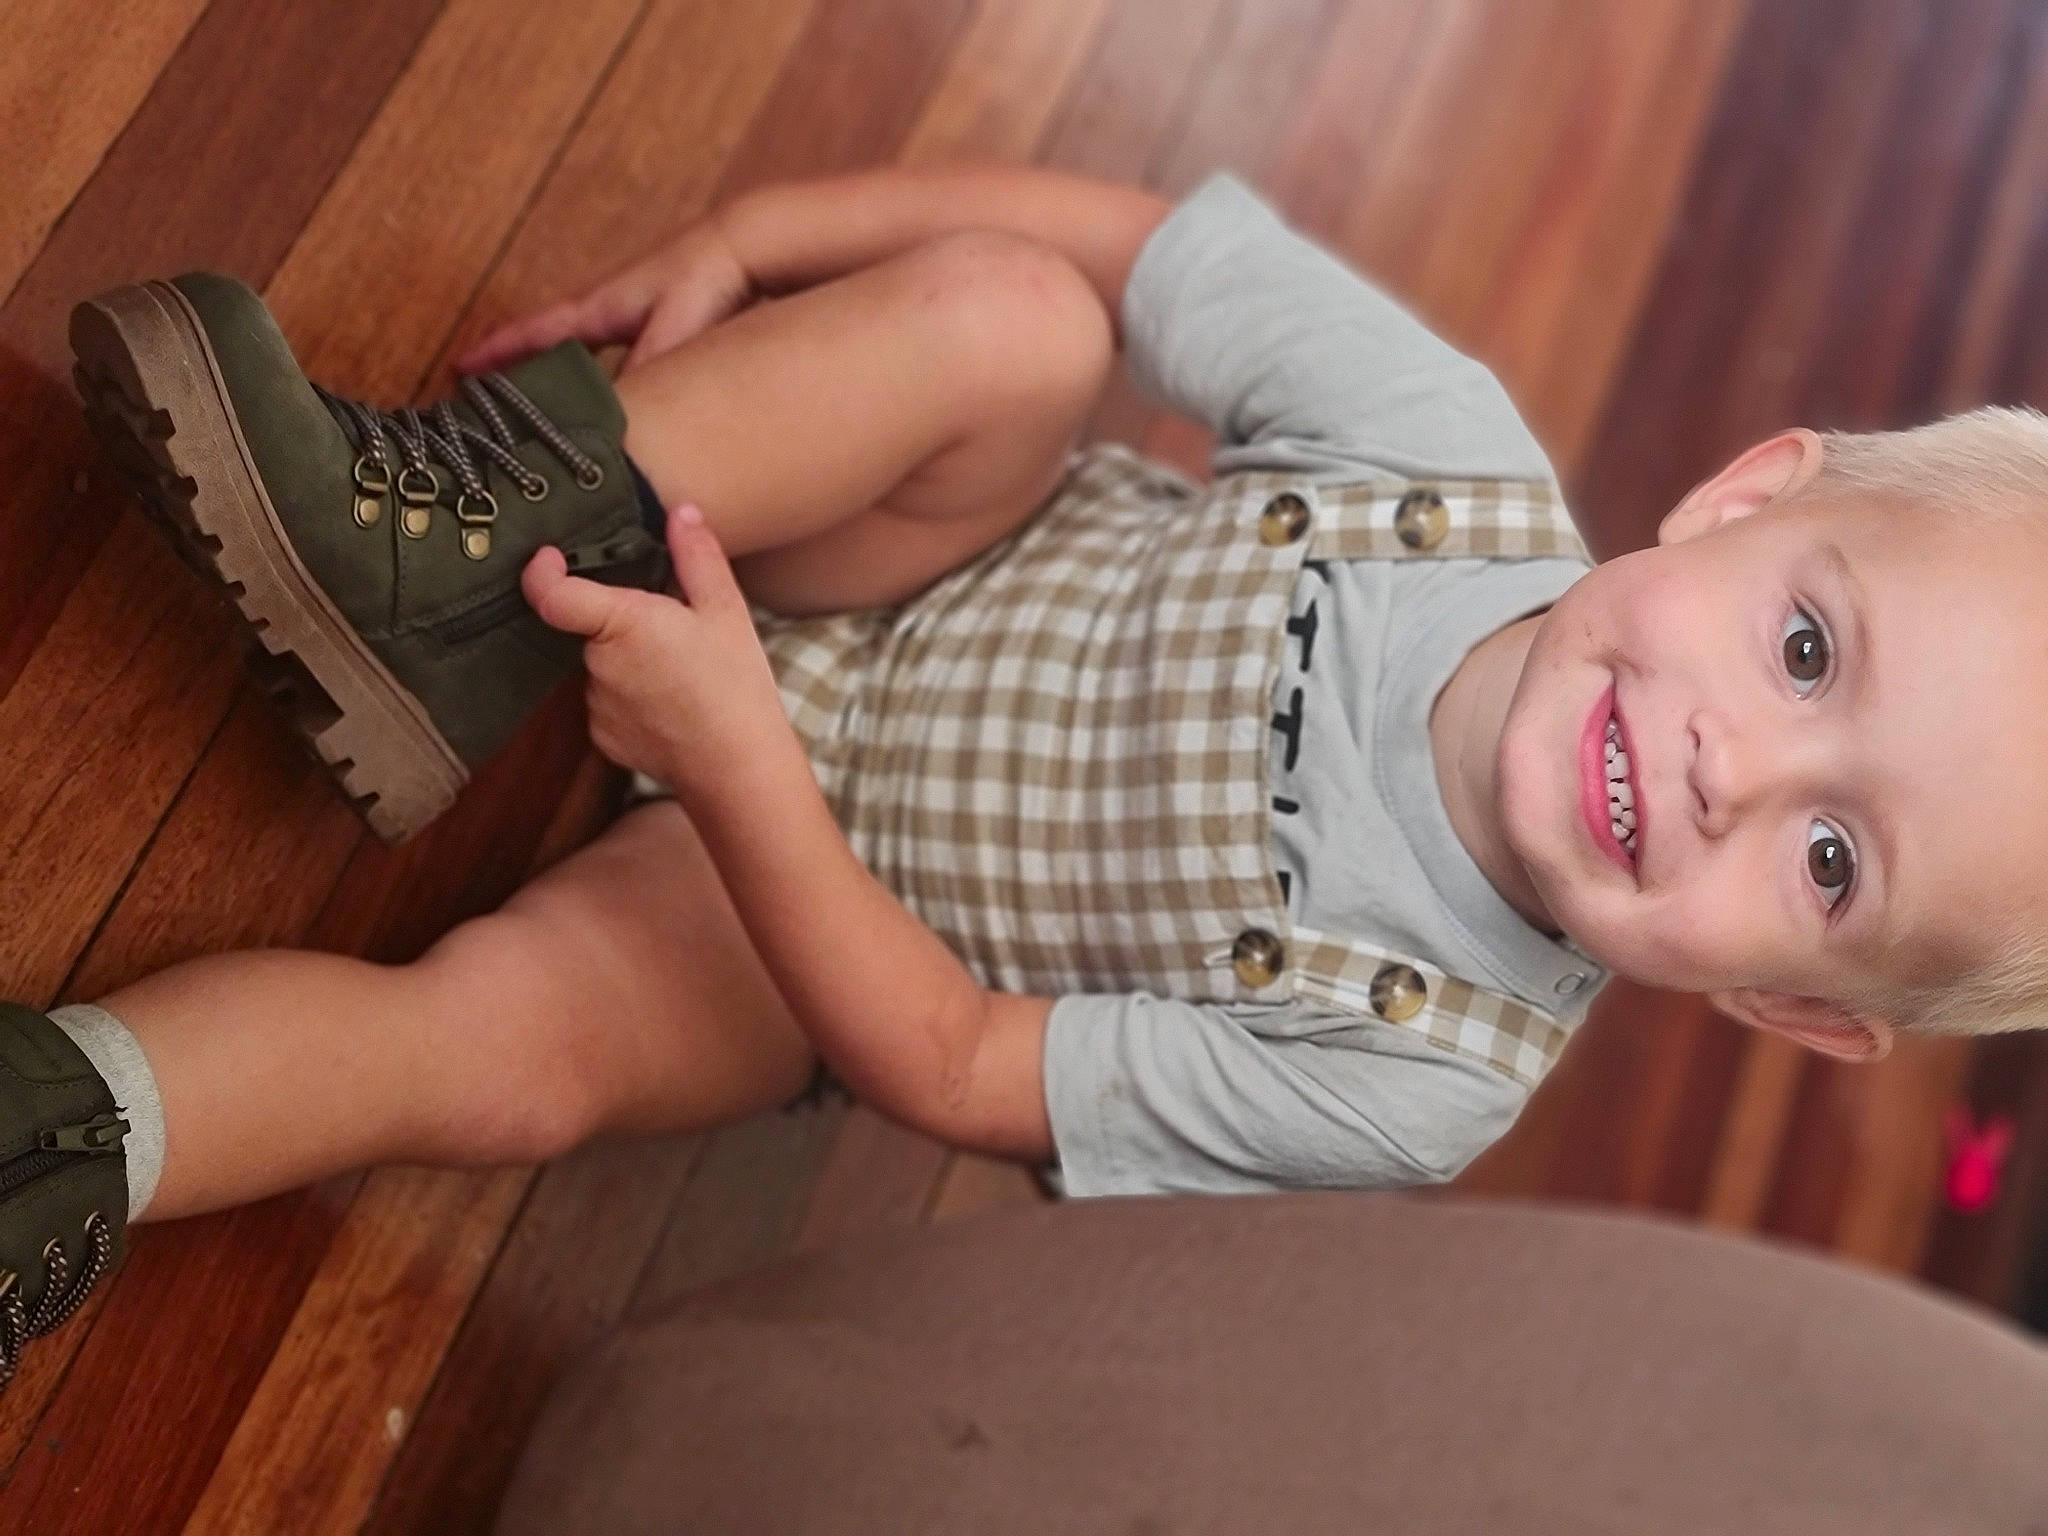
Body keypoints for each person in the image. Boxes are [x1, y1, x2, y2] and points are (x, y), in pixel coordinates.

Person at [6, 166, 2043, 1386]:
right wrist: (759, 232)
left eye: (1831, 861)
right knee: (1015, 322)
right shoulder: (1445, 461)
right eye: (1805, 651)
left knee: (499, 1062)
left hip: (802, 927)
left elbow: (957, 1059)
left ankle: (73, 1133)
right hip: (892, 548)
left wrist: (739, 764)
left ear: (1789, 1007)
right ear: (1746, 497)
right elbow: (1139, 248)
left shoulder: (1420, 1075)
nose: (1730, 768)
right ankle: (441, 571)